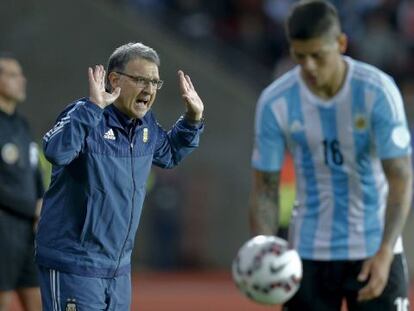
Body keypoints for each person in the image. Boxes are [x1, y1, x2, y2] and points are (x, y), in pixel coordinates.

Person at [250, 1, 413, 310]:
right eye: (300, 57)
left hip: (373, 248)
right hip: (308, 254)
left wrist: (385, 253)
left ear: (340, 43)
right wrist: (266, 251)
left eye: (318, 55)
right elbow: (264, 189)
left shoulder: (378, 92)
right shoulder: (275, 101)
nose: (309, 66)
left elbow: (401, 178)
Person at [35, 42, 204, 310]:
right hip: (75, 265)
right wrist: (91, 109)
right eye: (140, 80)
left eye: (154, 82)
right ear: (114, 80)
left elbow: (169, 154)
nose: (149, 89)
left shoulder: (145, 125)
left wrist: (192, 120)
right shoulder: (85, 113)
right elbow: (56, 152)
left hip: (118, 270)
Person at [0, 53, 43, 310]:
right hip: (3, 230)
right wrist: (31, 207)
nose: (22, 80)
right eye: (14, 75)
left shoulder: (21, 123)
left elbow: (35, 170)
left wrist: (42, 203)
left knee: (38, 300)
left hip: (28, 232)